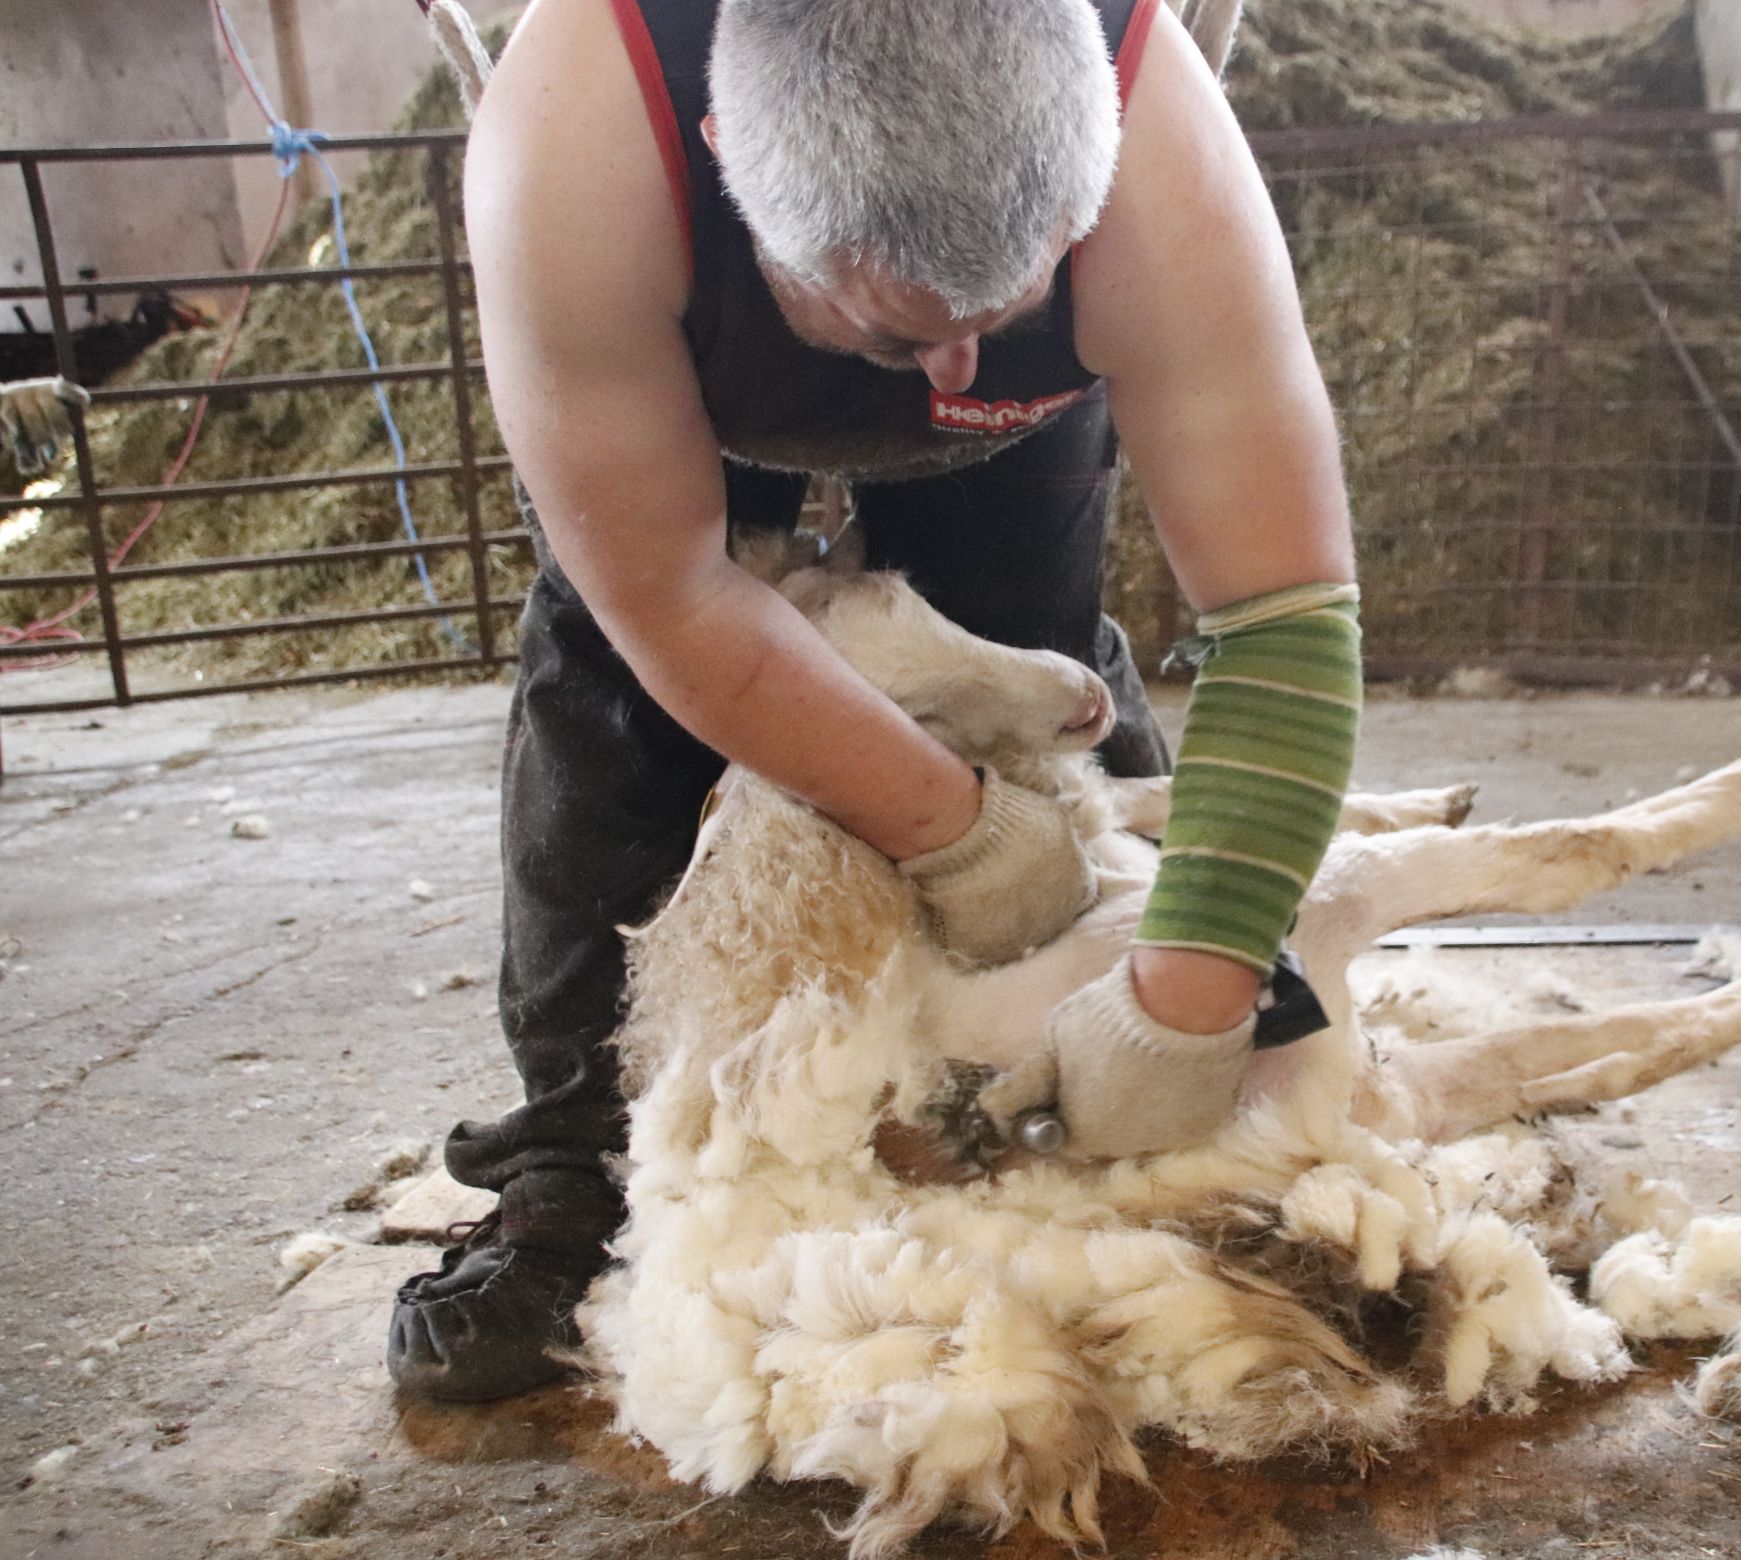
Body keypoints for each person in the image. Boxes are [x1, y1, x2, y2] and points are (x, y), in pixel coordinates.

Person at [387, 0, 1363, 1403]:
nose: (953, 362)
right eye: (912, 334)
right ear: (728, 153)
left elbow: (1283, 621)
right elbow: (669, 598)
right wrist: (957, 831)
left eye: (1003, 304)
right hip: (695, 381)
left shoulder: (1160, 149)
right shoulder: (581, 137)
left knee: (1042, 680)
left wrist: (1188, 998)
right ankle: (575, 1161)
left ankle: (1106, 1049)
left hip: (1016, 415)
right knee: (611, 713)